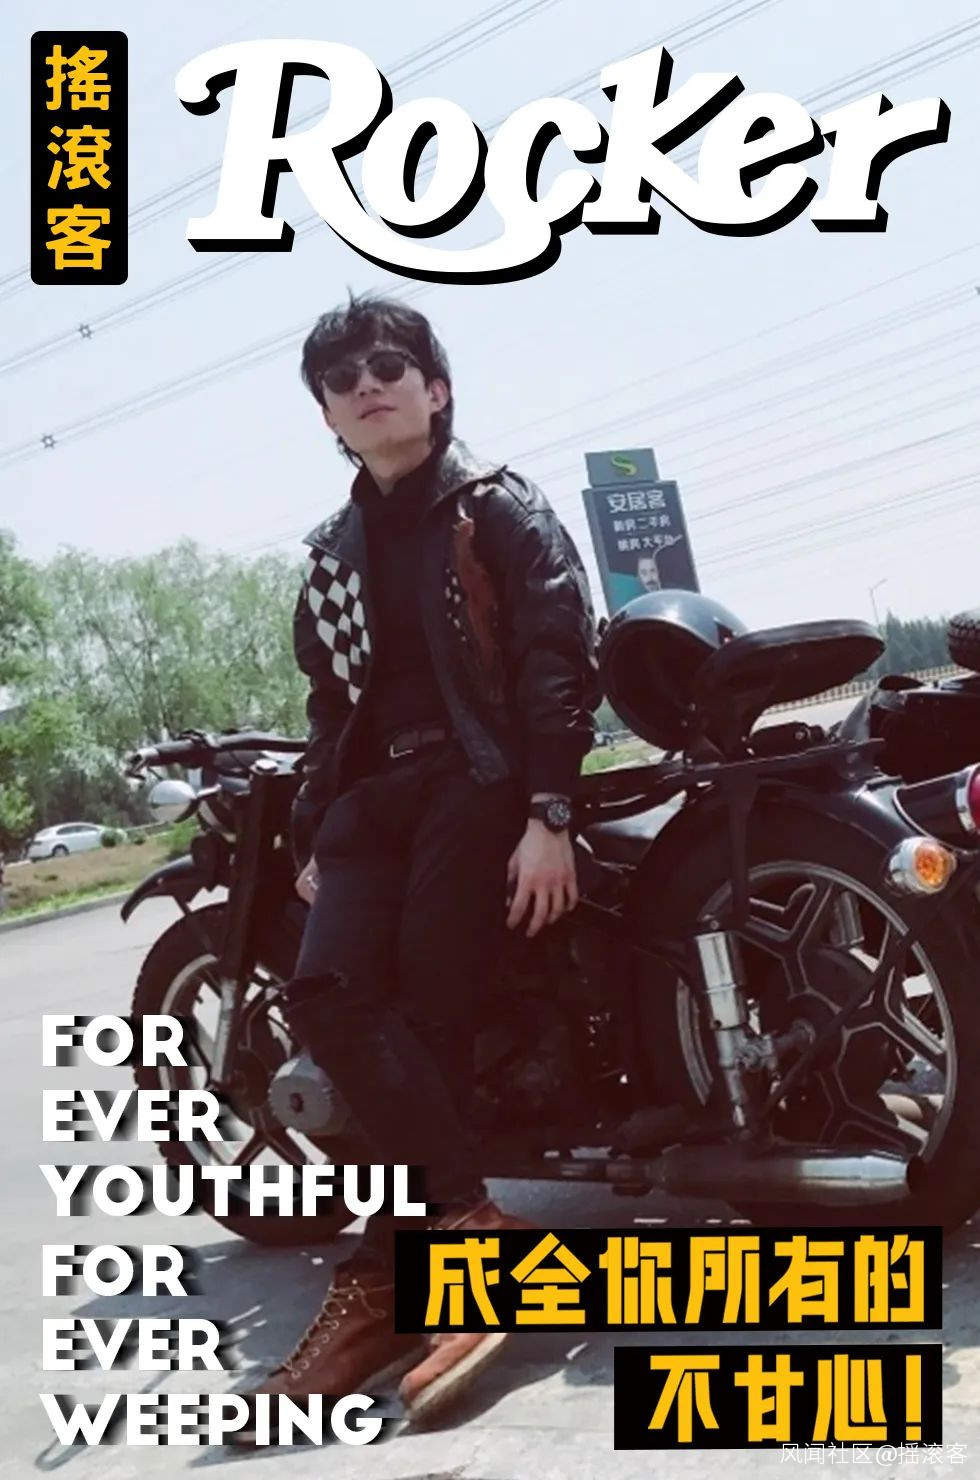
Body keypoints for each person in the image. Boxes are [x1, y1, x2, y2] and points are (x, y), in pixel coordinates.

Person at [237, 293, 600, 1436]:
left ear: (435, 390)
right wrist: (313, 830)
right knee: (325, 995)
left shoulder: (498, 508)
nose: (366, 387)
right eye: (341, 381)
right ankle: (465, 1230)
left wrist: (548, 812)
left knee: (429, 1013)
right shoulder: (333, 551)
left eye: (389, 367)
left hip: (476, 779)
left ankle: (396, 1283)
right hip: (369, 801)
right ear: (327, 418)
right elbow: (327, 702)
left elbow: (555, 660)